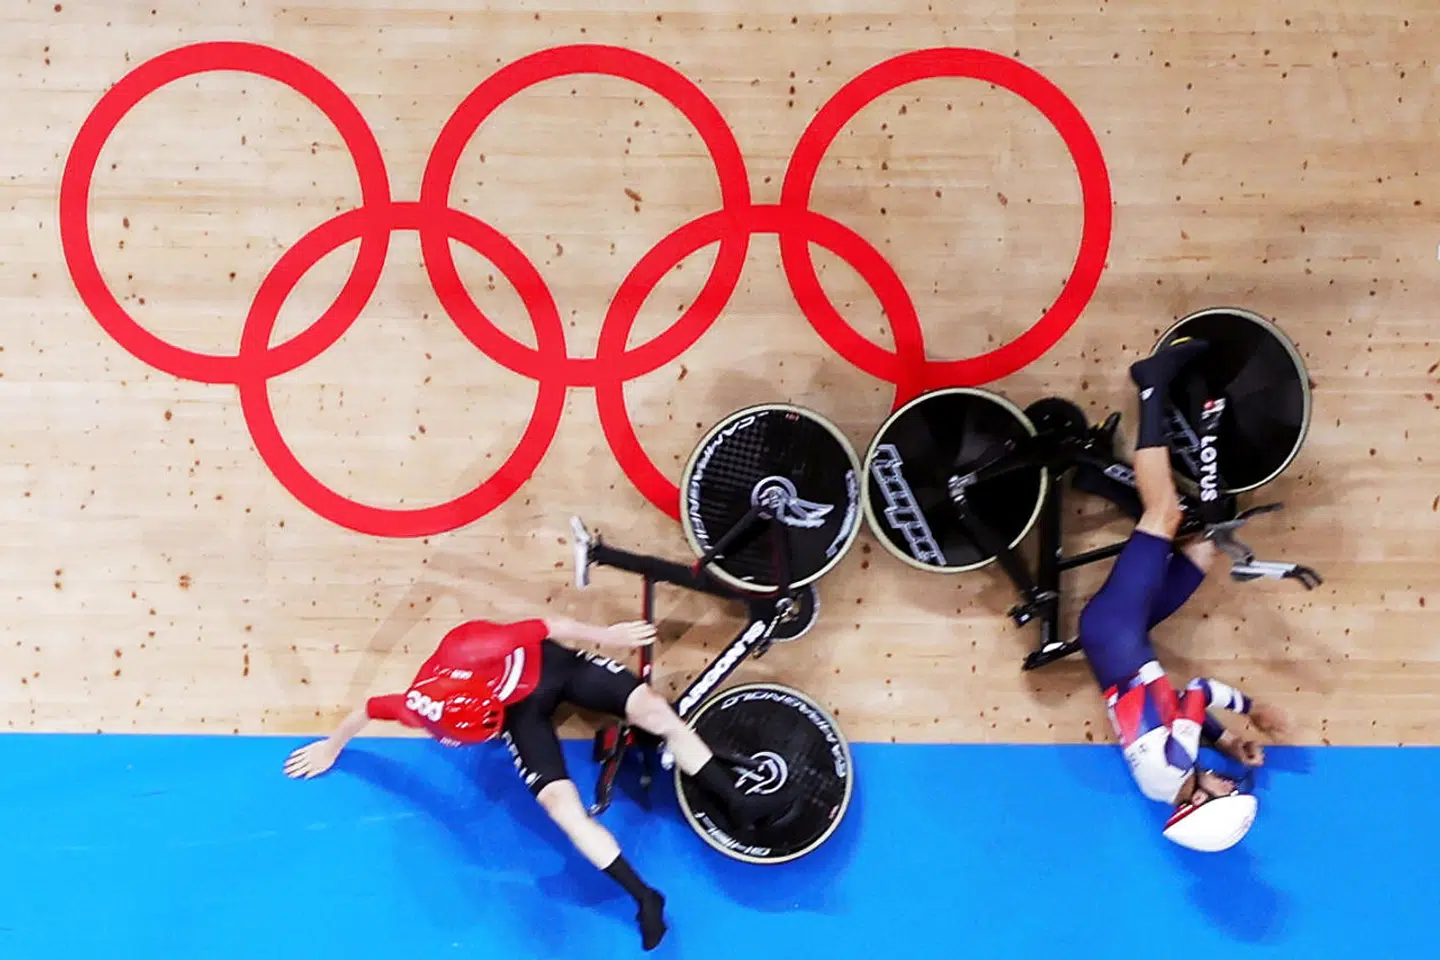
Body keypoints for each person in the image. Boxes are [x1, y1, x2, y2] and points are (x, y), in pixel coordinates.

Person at [284, 614, 781, 950]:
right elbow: (367, 710)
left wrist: (608, 635)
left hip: (551, 666)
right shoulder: (419, 709)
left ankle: (736, 801)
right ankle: (644, 896)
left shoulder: (475, 645)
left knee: (655, 711)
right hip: (523, 711)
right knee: (563, 810)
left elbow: (552, 624)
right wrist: (332, 747)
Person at [1076, 336, 1293, 852]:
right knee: (1202, 548)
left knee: (1166, 516)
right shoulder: (1167, 781)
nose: (1228, 782)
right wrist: (1226, 741)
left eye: (1226, 791)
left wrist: (1252, 708)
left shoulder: (1174, 767)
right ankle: (1098, 474)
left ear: (1196, 803)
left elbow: (1195, 690)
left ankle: (1151, 385)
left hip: (1116, 632)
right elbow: (1172, 706)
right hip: (1124, 643)